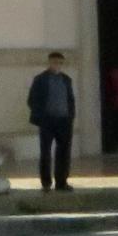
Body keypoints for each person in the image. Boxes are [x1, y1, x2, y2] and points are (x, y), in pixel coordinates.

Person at [26, 51, 76, 191]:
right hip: (47, 121)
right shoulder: (40, 79)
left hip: (64, 121)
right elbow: (31, 100)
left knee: (64, 152)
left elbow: (70, 99)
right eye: (55, 62)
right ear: (49, 63)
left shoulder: (66, 79)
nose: (57, 65)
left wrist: (70, 116)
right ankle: (46, 182)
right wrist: (41, 116)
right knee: (46, 152)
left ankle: (62, 182)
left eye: (60, 63)